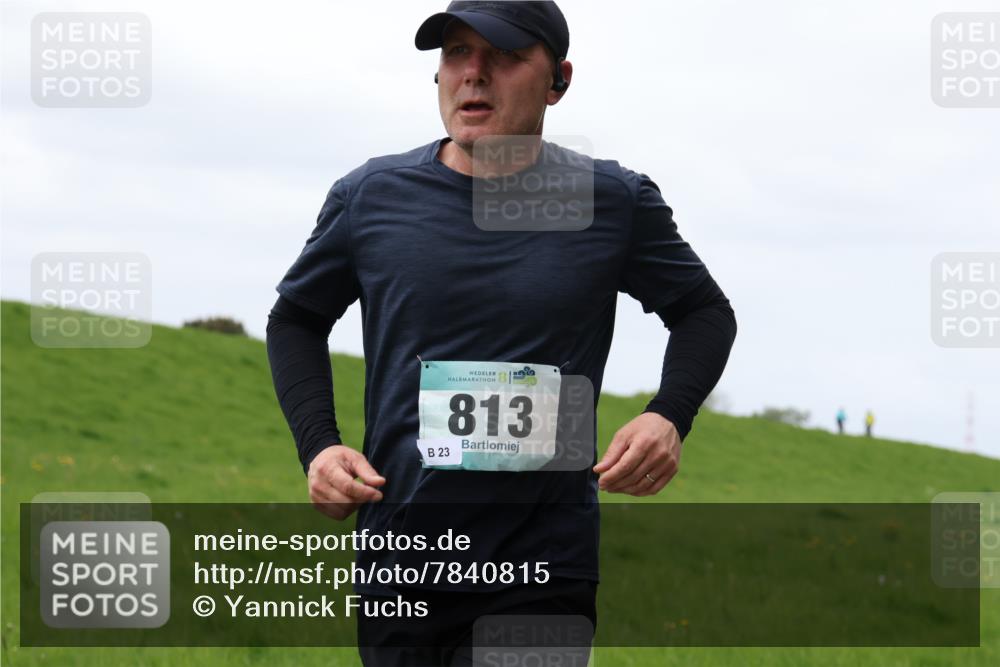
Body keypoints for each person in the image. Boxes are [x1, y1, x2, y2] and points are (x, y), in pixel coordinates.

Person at [265, 2, 737, 664]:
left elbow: (705, 312)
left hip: (543, 563)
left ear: (558, 80)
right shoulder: (371, 197)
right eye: (457, 53)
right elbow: (297, 317)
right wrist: (318, 447)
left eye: (505, 56)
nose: (474, 75)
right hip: (402, 558)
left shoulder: (610, 201)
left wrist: (669, 415)